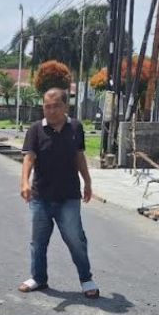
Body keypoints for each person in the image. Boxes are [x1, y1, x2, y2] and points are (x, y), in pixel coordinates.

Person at [18, 88, 99, 298]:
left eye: (55, 106)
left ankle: (86, 279)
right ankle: (38, 278)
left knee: (75, 238)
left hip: (68, 196)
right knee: (38, 241)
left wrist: (87, 182)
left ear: (65, 106)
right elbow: (29, 157)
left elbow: (79, 156)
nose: (51, 110)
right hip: (41, 196)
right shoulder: (36, 129)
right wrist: (24, 183)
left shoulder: (76, 127)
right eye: (47, 106)